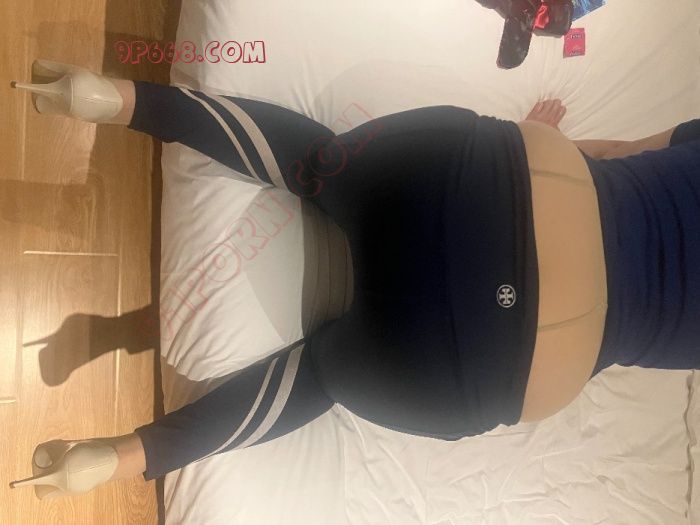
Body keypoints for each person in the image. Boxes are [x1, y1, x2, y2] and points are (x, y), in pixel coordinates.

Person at [9, 59, 700, 500]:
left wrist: (539, 148)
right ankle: (123, 457)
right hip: (515, 361)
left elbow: (619, 155)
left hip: (517, 185)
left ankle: (117, 98)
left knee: (321, 165)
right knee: (324, 374)